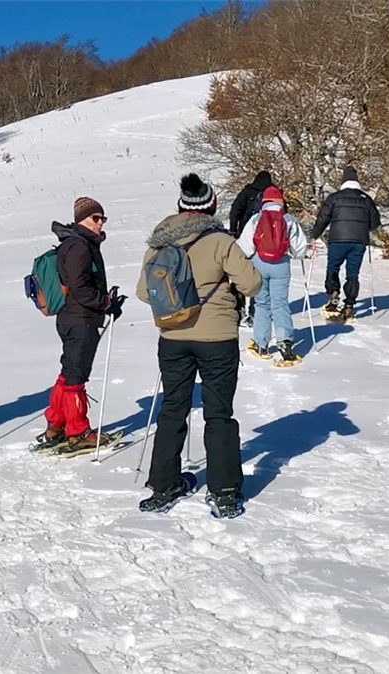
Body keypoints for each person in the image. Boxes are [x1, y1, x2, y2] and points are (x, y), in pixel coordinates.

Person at [136, 174, 261, 519]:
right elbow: (251, 284)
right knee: (218, 412)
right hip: (217, 338)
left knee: (173, 408)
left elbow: (144, 292)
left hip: (173, 338)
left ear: (180, 206)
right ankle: (223, 492)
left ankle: (163, 485)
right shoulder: (221, 241)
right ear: (212, 207)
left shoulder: (159, 244)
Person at [36, 196, 125, 454]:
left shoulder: (76, 244)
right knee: (76, 377)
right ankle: (78, 432)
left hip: (73, 318)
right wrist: (105, 302)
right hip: (80, 319)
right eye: (95, 218)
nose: (100, 223)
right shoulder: (79, 247)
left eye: (102, 218)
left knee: (69, 372)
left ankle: (55, 426)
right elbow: (80, 286)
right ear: (81, 220)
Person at [236, 186, 309, 365]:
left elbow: (244, 247)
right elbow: (299, 249)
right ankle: (285, 342)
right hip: (281, 265)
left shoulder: (256, 218)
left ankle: (261, 344)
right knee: (280, 302)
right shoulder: (288, 219)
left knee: (262, 303)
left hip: (259, 263)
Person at [310, 166, 382, 321]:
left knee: (333, 268)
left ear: (343, 181)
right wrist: (365, 227)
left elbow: (323, 218)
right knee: (353, 274)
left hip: (338, 239)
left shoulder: (335, 198)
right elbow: (375, 223)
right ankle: (349, 305)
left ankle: (333, 292)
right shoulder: (366, 199)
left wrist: (315, 234)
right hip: (359, 242)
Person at [228, 171, 273, 327]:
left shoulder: (247, 192)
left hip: (244, 240)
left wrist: (233, 230)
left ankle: (238, 307)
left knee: (239, 273)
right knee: (258, 277)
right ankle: (254, 312)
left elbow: (235, 211)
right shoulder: (273, 193)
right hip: (264, 243)